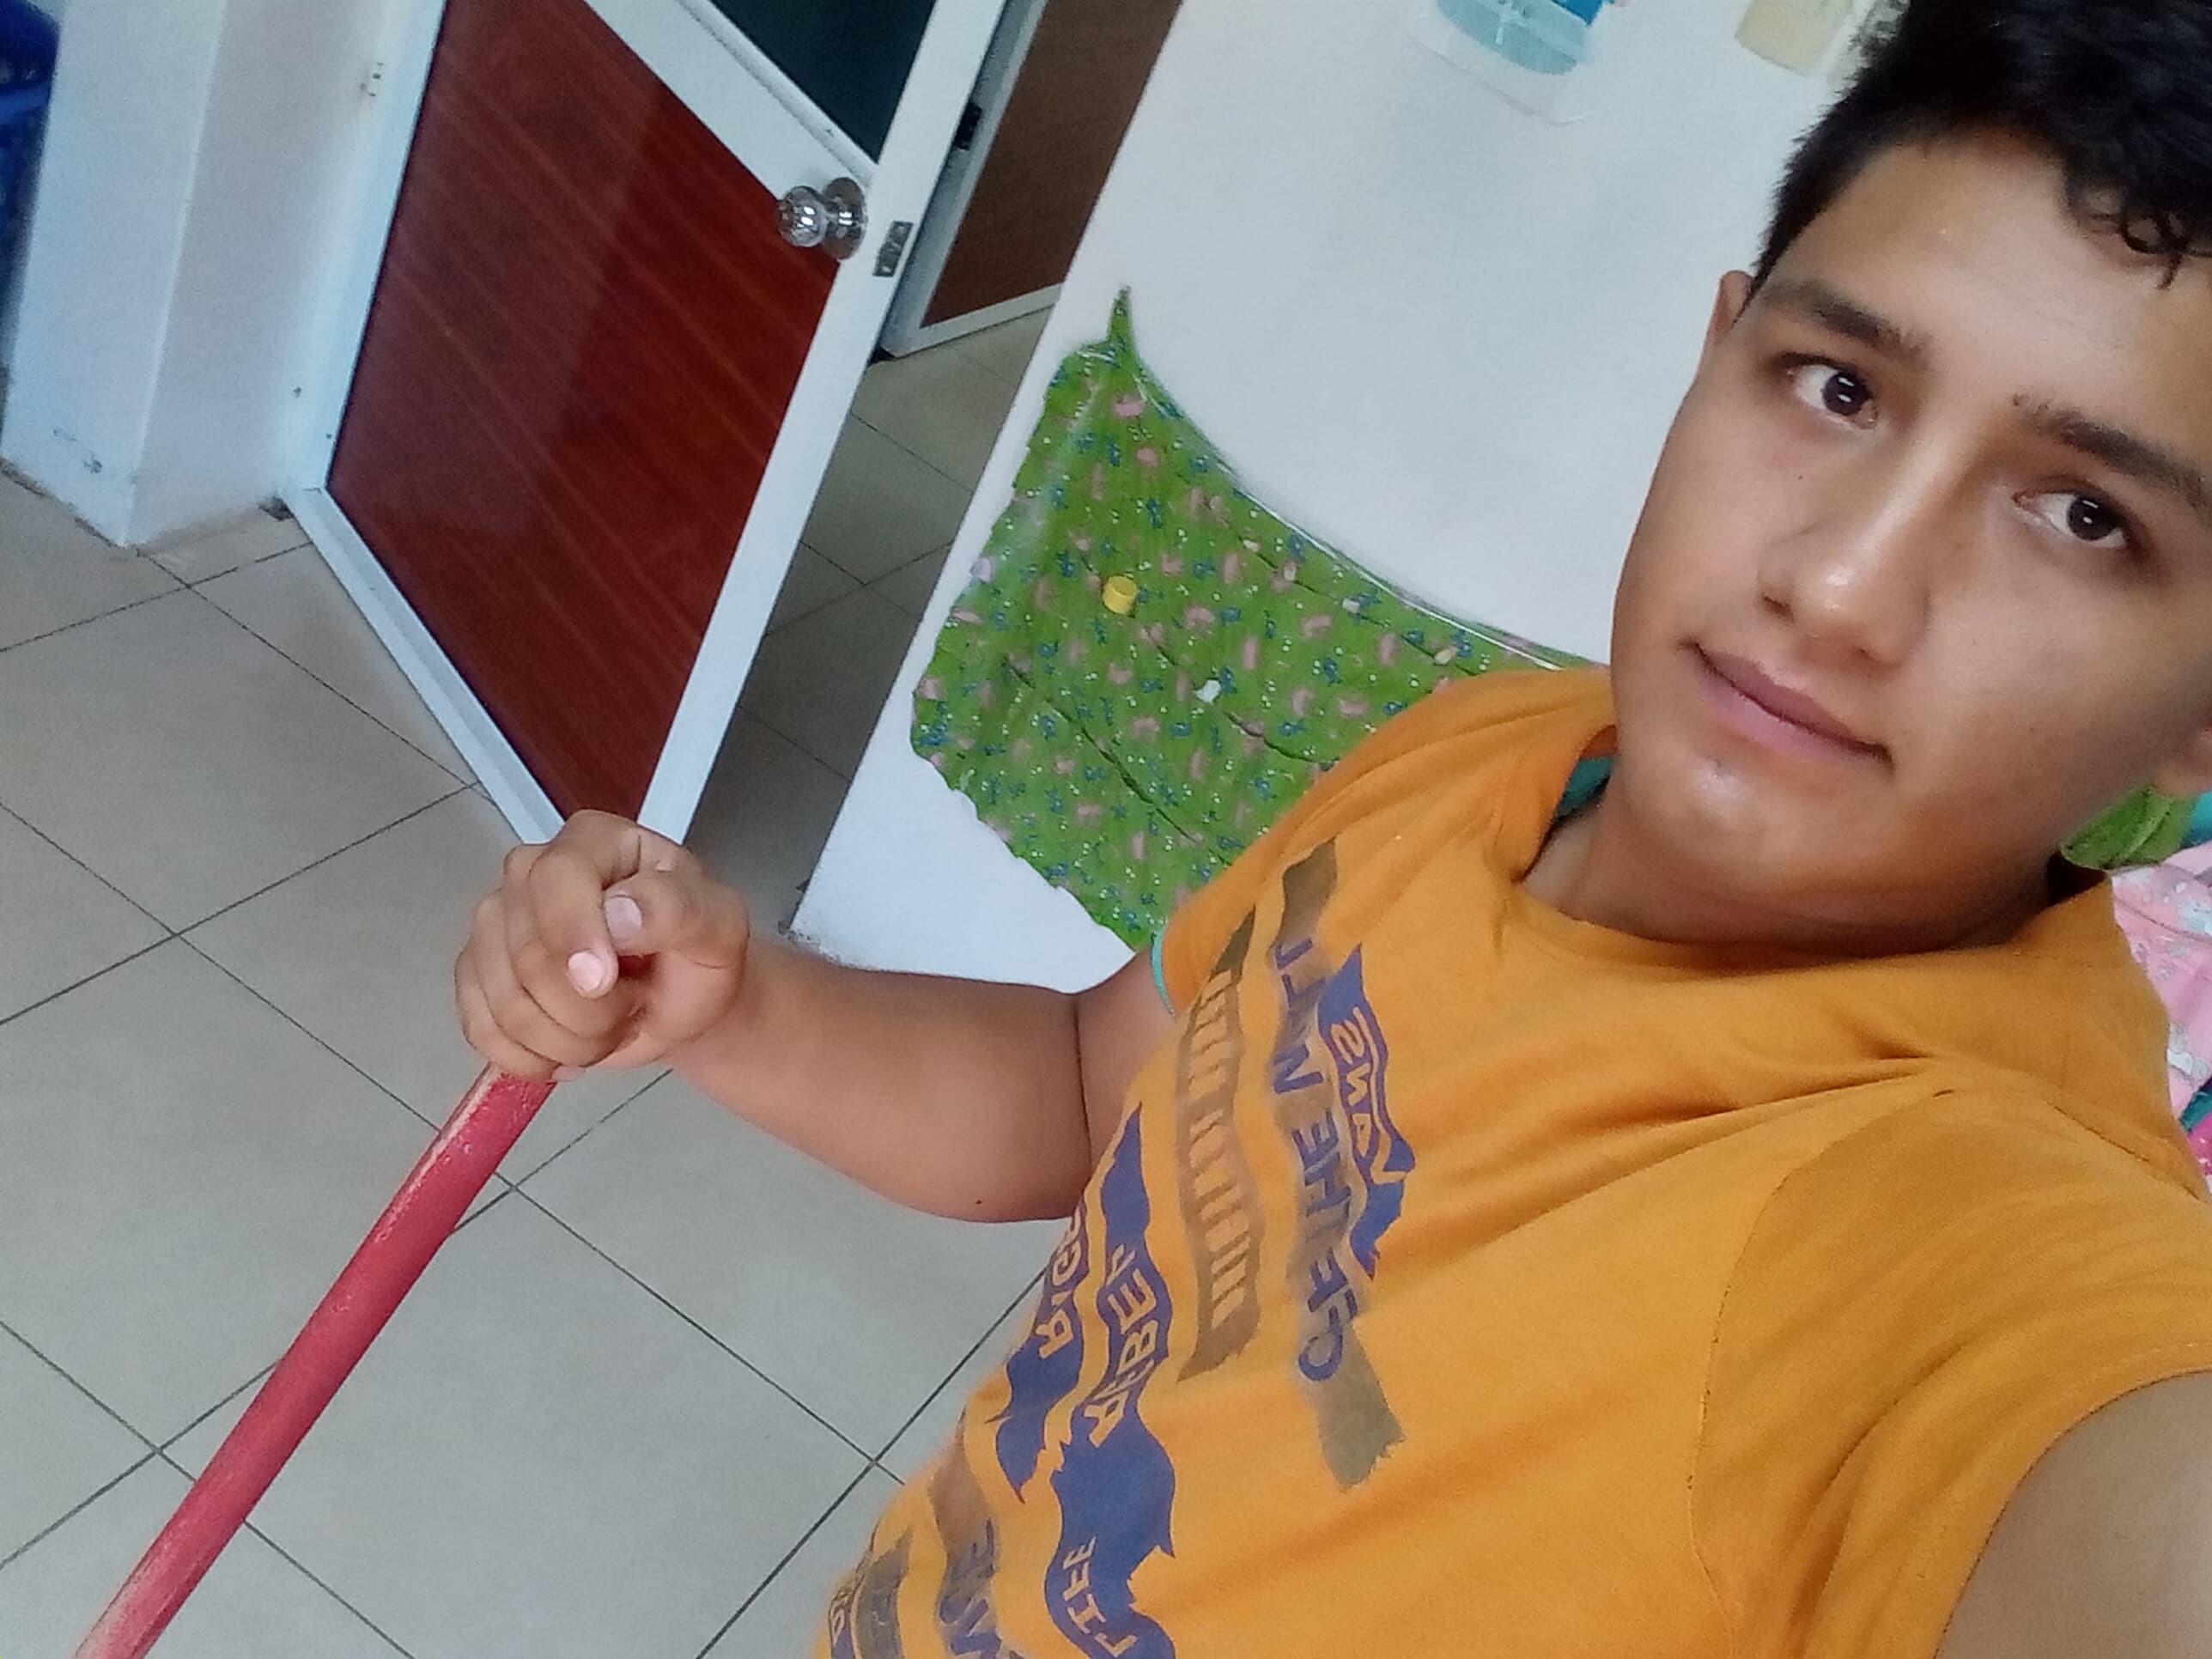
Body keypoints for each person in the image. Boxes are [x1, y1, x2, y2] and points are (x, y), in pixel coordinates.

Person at [454, 1, 2212, 1651]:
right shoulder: (1485, 750)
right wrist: (738, 1003)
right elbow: (1091, 1096)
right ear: (1715, 353)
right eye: (1838, 388)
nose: (1838, 587)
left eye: (2082, 516)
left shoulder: (1977, 1249)